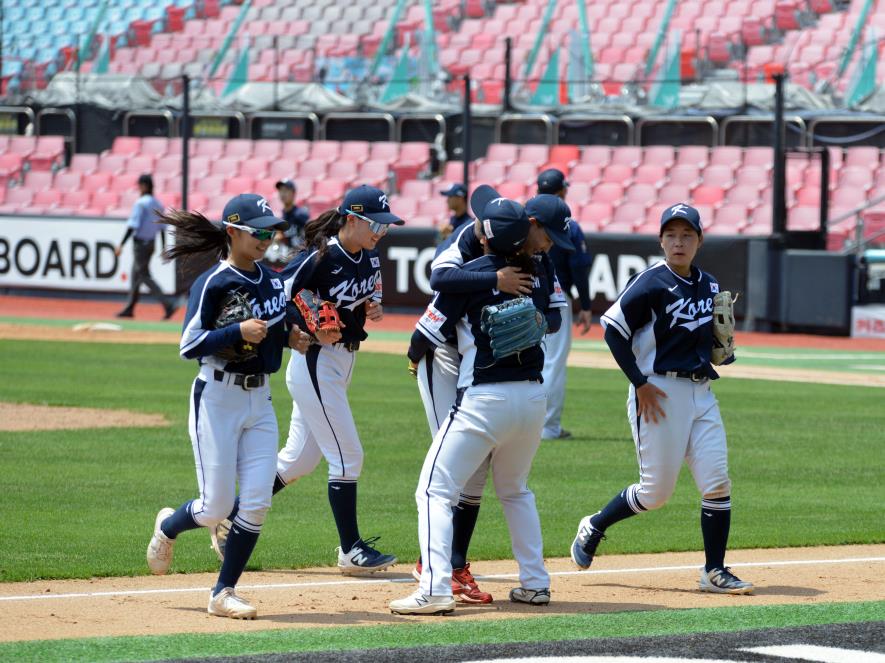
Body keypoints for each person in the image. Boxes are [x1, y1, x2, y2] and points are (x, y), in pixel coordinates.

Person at [211, 185, 403, 576]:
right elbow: (278, 296)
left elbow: (366, 296)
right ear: (352, 219)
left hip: (344, 361)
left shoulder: (368, 256)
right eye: (375, 225)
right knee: (349, 458)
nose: (379, 233)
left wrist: (372, 305)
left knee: (298, 460)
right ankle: (350, 549)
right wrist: (303, 324)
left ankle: (230, 518)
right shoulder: (320, 258)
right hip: (315, 361)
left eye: (384, 227)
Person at [390, 189, 562, 615]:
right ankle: (535, 583)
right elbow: (553, 318)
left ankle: (434, 587)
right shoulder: (538, 273)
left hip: (484, 398)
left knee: (433, 489)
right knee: (516, 491)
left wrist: (413, 357)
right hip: (533, 398)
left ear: (485, 239)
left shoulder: (473, 273)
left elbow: (425, 333)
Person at [570, 204, 753, 595]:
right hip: (657, 391)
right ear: (661, 241)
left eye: (687, 235)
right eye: (671, 235)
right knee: (655, 493)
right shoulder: (649, 283)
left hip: (702, 391)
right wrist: (638, 383)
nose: (679, 242)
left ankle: (714, 571)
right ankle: (596, 524)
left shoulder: (709, 284)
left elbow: (714, 341)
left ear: (699, 240)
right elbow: (613, 332)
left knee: (717, 481)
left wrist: (721, 350)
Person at [145, 193, 313, 620]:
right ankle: (168, 526)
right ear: (233, 231)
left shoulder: (272, 279)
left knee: (256, 502)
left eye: (269, 231)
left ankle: (224, 592)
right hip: (216, 399)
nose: (265, 238)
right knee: (215, 507)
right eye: (257, 231)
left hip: (261, 400)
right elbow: (189, 345)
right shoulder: (213, 283)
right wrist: (236, 329)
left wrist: (289, 337)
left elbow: (274, 330)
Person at [537, 168, 593, 440]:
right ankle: (547, 427)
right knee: (553, 363)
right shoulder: (568, 226)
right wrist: (586, 304)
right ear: (561, 192)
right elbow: (579, 267)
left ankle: (524, 425)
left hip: (523, 292)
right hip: (556, 298)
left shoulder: (528, 220)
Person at [115, 174, 177, 319]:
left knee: (143, 276)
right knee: (135, 274)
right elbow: (162, 228)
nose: (139, 188)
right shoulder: (158, 203)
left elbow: (133, 226)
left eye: (140, 185)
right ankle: (130, 308)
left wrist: (121, 244)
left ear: (144, 185)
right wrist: (163, 247)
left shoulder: (141, 203)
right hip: (151, 243)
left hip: (140, 245)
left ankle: (168, 304)